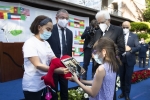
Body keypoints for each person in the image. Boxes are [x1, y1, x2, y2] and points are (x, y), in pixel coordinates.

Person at [22, 15, 69, 100]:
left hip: (45, 82)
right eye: (48, 29)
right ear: (39, 27)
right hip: (33, 85)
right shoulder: (30, 43)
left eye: (51, 30)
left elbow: (54, 58)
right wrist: (56, 70)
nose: (50, 32)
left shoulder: (46, 43)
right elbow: (38, 65)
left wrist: (67, 64)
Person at [92, 10, 125, 100]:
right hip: (97, 65)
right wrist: (94, 54)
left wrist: (110, 58)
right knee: (97, 89)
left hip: (110, 66)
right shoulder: (98, 32)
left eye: (102, 22)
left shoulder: (118, 30)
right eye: (98, 23)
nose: (100, 25)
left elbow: (121, 48)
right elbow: (94, 47)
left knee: (109, 91)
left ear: (108, 20)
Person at [47, 9, 73, 100]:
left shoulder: (70, 33)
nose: (64, 20)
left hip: (65, 66)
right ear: (56, 18)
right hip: (53, 66)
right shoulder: (50, 30)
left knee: (64, 90)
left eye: (66, 18)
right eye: (62, 18)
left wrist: (71, 67)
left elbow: (69, 51)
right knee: (53, 91)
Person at [119, 21, 140, 100]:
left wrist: (130, 49)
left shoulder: (134, 36)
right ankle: (123, 92)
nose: (125, 28)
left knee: (127, 78)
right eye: (123, 27)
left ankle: (127, 94)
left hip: (130, 61)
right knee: (121, 78)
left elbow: (138, 47)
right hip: (121, 60)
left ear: (130, 27)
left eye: (127, 27)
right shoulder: (119, 35)